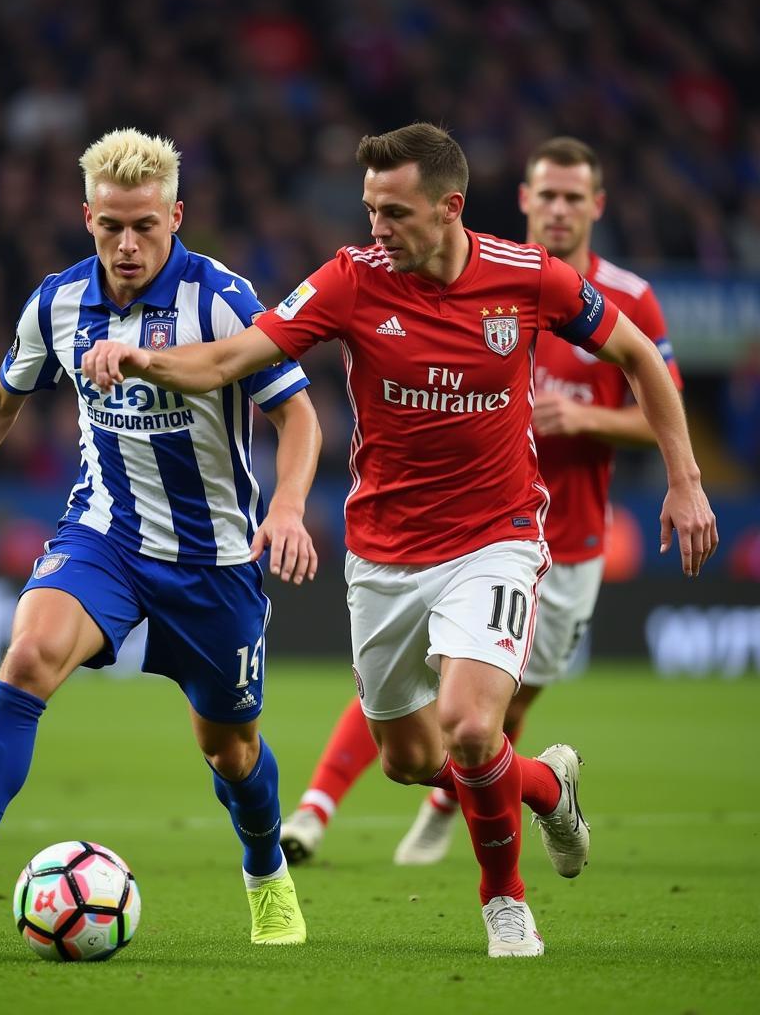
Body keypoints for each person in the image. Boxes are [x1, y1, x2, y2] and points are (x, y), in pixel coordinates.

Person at [79, 122, 718, 958]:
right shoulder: (351, 279)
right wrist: (142, 360)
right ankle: (546, 785)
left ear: (450, 208)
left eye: (396, 213)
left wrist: (686, 479)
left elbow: (638, 355)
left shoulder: (528, 280)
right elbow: (235, 355)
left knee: (468, 725)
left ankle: (505, 904)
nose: (377, 229)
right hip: (384, 549)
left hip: (496, 537)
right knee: (412, 761)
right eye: (371, 209)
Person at [0, 129, 319, 956]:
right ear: (86, 217)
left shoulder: (221, 299)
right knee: (28, 656)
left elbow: (295, 410)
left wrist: (287, 507)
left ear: (176, 215)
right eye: (111, 225)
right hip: (104, 535)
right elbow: (0, 400)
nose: (127, 243)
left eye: (145, 225)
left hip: (214, 561)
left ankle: (265, 872)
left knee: (230, 750)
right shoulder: (57, 302)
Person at [280, 136, 687, 869]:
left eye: (574, 197)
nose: (559, 209)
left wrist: (600, 428)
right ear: (525, 199)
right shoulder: (454, 275)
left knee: (493, 716)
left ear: (596, 206)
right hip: (440, 535)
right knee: (434, 720)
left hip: (565, 538)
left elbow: (659, 391)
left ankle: (464, 813)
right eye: (547, 195)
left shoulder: (597, 295)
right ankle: (406, 800)